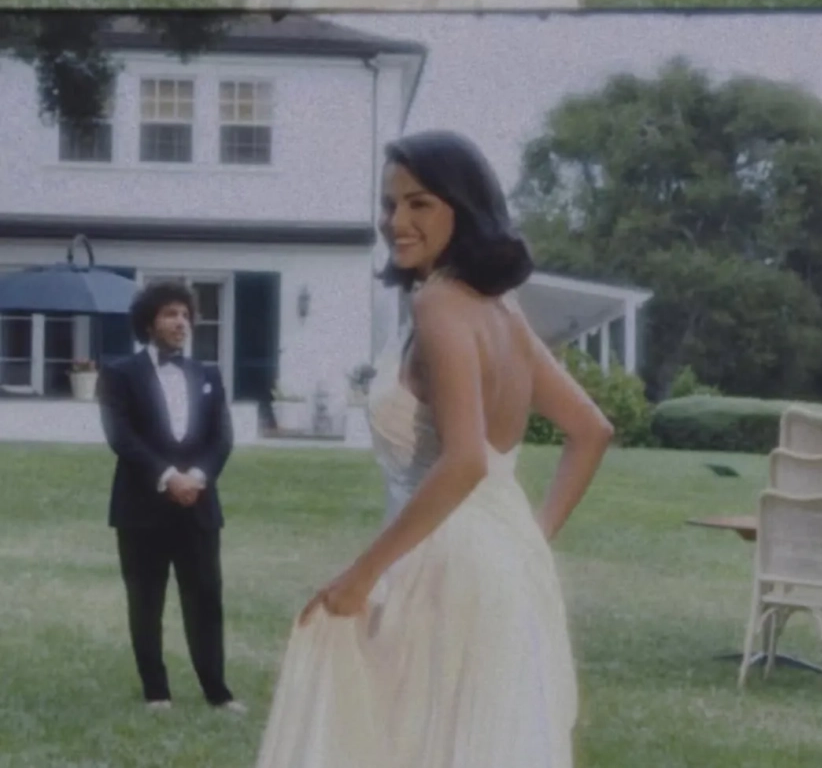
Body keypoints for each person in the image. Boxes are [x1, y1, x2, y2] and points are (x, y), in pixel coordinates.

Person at [254, 130, 613, 767]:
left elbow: (466, 460)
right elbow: (590, 430)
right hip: (503, 565)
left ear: (464, 208)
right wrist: (530, 540)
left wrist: (360, 576)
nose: (397, 221)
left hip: (442, 566)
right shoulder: (501, 311)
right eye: (389, 204)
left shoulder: (439, 305)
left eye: (419, 203)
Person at [97, 280, 245, 713]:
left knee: (206, 598)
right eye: (170, 314)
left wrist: (196, 477)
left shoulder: (208, 376)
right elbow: (121, 436)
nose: (180, 322)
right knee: (146, 601)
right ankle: (156, 691)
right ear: (149, 323)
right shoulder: (120, 374)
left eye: (185, 314)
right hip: (141, 507)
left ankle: (217, 691)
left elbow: (222, 438)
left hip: (198, 505)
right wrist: (167, 477)